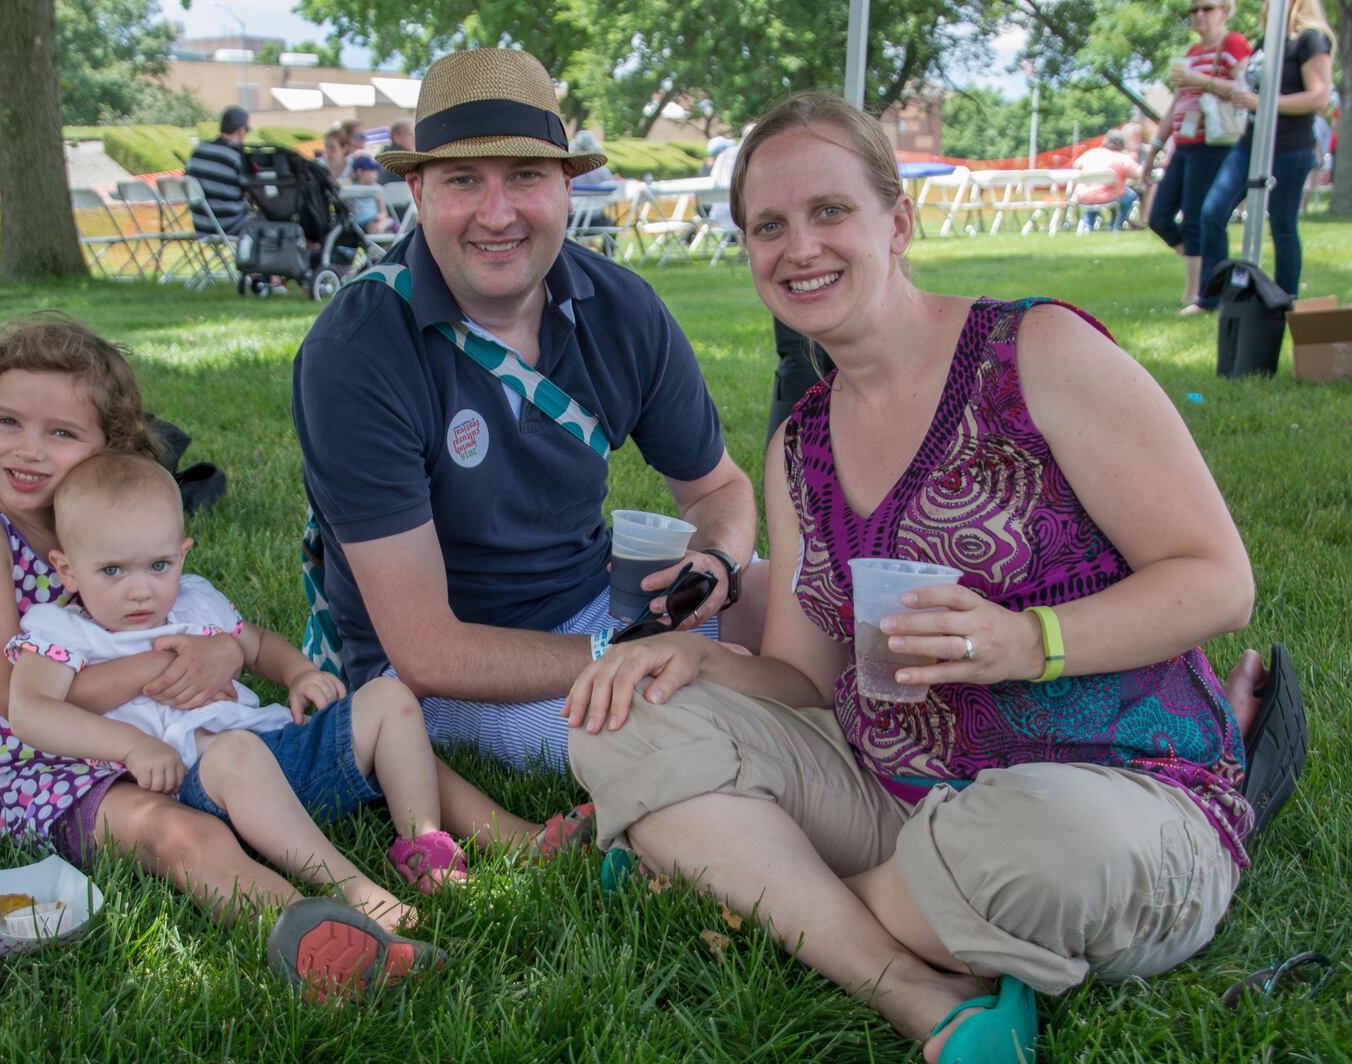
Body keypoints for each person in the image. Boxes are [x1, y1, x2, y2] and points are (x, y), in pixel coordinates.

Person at [565, 93, 1265, 1063]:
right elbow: (803, 682)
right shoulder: (799, 441)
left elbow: (1218, 580)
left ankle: (739, 886)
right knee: (624, 717)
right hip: (889, 794)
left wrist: (1029, 639)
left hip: (1111, 790)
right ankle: (910, 983)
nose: (797, 246)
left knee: (1046, 842)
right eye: (767, 225)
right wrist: (695, 656)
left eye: (829, 211)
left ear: (897, 220)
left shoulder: (1037, 355)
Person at [0, 315, 439, 1000]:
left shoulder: (126, 532)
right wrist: (177, 666)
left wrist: (234, 652)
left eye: (61, 433)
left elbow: (229, 634)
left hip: (176, 735)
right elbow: (11, 700)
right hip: (57, 766)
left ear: (110, 447)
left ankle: (468, 840)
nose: (29, 451)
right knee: (181, 835)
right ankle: (310, 929)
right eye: (7, 422)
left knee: (372, 715)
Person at [292, 48, 761, 770]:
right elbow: (427, 650)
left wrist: (720, 560)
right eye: (462, 180)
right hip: (448, 677)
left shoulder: (622, 305)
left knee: (812, 615)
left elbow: (718, 488)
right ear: (416, 191)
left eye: (525, 176)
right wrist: (630, 654)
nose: (497, 213)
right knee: (683, 722)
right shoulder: (356, 349)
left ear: (568, 185)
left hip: (601, 609)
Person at [6, 453, 585, 928]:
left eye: (158, 565)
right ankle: (353, 888)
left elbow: (255, 643)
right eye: (112, 571)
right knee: (235, 753)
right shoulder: (62, 631)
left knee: (388, 697)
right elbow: (30, 711)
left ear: (182, 554)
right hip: (200, 785)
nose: (141, 591)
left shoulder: (195, 599)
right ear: (67, 570)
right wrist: (129, 747)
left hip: (280, 752)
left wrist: (300, 674)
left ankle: (422, 843)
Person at [1188, 0, 1335, 314]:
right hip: (1249, 144)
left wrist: (1262, 102)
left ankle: (1283, 303)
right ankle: (1211, 298)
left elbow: (1319, 97)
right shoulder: (1267, 40)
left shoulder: (1310, 39)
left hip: (1290, 146)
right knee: (1212, 212)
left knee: (1282, 226)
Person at [1145, 1, 1250, 309]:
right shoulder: (1192, 54)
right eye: (1194, 9)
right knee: (1159, 217)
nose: (1199, 15)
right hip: (1184, 144)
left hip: (1212, 144)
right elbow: (1176, 103)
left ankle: (1197, 294)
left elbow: (1244, 89)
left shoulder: (1233, 43)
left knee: (1195, 217)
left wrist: (1199, 81)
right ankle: (1209, 273)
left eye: (1208, 7)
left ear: (1225, 11)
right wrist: (1154, 148)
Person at [185, 105, 251, 236]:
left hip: (201, 225)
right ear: (241, 131)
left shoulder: (197, 151)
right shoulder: (236, 156)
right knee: (273, 223)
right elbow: (251, 192)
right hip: (230, 225)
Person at [1073, 130, 1143, 231]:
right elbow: (1139, 174)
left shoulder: (1091, 153)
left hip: (1083, 195)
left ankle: (1088, 225)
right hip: (1107, 196)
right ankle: (1114, 224)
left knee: (1092, 196)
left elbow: (1076, 166)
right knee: (1130, 195)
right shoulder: (1122, 158)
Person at [346, 155, 394, 234]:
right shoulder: (350, 189)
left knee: (383, 224)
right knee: (380, 227)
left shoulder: (377, 188)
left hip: (373, 220)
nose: (375, 174)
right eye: (371, 170)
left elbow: (384, 212)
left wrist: (379, 217)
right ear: (360, 172)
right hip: (357, 223)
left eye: (375, 170)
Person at [376, 118, 414, 186]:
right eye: (410, 134)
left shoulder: (384, 156)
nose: (414, 138)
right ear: (396, 136)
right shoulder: (401, 161)